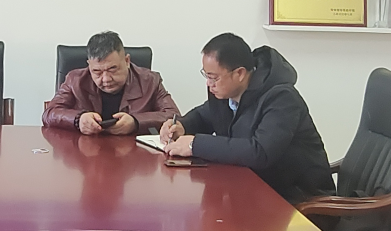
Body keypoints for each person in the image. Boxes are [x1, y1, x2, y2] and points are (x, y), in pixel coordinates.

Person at [157, 33, 331, 202]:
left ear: (239, 73)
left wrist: (194, 145)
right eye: (207, 76)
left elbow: (260, 152)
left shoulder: (281, 98)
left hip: (297, 201)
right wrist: (181, 125)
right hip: (252, 192)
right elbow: (203, 116)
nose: (209, 84)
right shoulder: (226, 93)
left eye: (213, 77)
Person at [43, 31, 179, 135]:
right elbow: (50, 113)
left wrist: (136, 122)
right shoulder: (75, 80)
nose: (106, 79)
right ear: (89, 65)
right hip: (85, 152)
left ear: (127, 61)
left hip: (132, 155)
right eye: (97, 71)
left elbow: (174, 116)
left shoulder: (150, 80)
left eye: (112, 69)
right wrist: (78, 119)